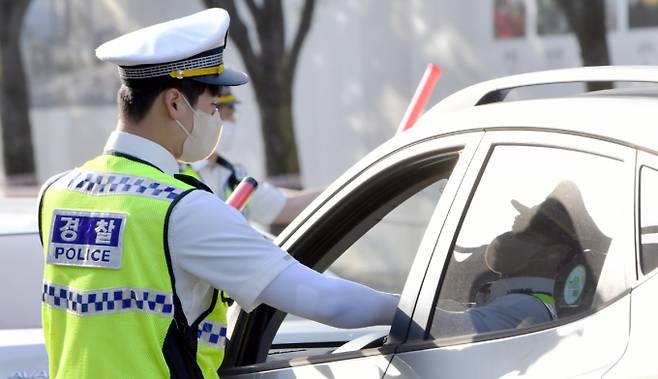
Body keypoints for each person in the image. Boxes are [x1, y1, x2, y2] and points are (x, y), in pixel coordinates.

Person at [38, 9, 398, 379]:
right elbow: (327, 301)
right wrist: (421, 307)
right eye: (213, 106)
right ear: (175, 103)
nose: (217, 120)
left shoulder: (57, 192)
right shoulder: (183, 209)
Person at [431, 181, 584, 337]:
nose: (509, 237)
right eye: (514, 229)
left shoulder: (525, 307)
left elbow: (445, 329)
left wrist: (409, 308)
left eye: (524, 233)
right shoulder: (519, 301)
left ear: (555, 253)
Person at [181, 87, 320, 226]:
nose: (233, 121)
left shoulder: (231, 175)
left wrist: (341, 188)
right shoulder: (175, 172)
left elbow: (289, 206)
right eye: (228, 114)